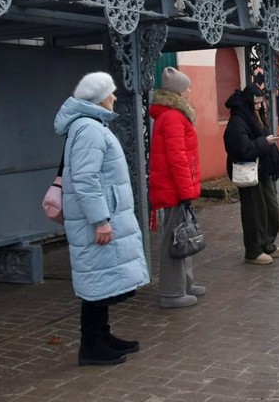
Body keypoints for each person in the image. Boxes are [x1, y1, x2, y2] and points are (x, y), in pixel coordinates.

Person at [53, 71, 149, 366]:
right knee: (95, 283)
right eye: (111, 93)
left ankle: (102, 336)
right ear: (98, 97)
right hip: (96, 220)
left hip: (102, 215)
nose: (115, 98)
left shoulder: (90, 125)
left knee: (102, 280)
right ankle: (91, 347)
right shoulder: (89, 129)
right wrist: (100, 221)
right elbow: (84, 178)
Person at [148, 67, 204, 309]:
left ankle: (185, 284)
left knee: (183, 236)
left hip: (175, 189)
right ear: (178, 91)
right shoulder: (172, 117)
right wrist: (186, 191)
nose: (190, 90)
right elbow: (177, 158)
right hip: (173, 190)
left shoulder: (173, 115)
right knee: (174, 240)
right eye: (187, 87)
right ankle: (172, 292)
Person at [224, 85, 279, 265]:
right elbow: (242, 148)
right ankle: (253, 250)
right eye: (256, 102)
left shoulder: (256, 115)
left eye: (261, 102)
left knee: (271, 207)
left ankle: (268, 243)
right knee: (254, 211)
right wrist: (264, 142)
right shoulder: (238, 120)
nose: (259, 105)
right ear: (249, 101)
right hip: (248, 171)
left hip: (262, 168)